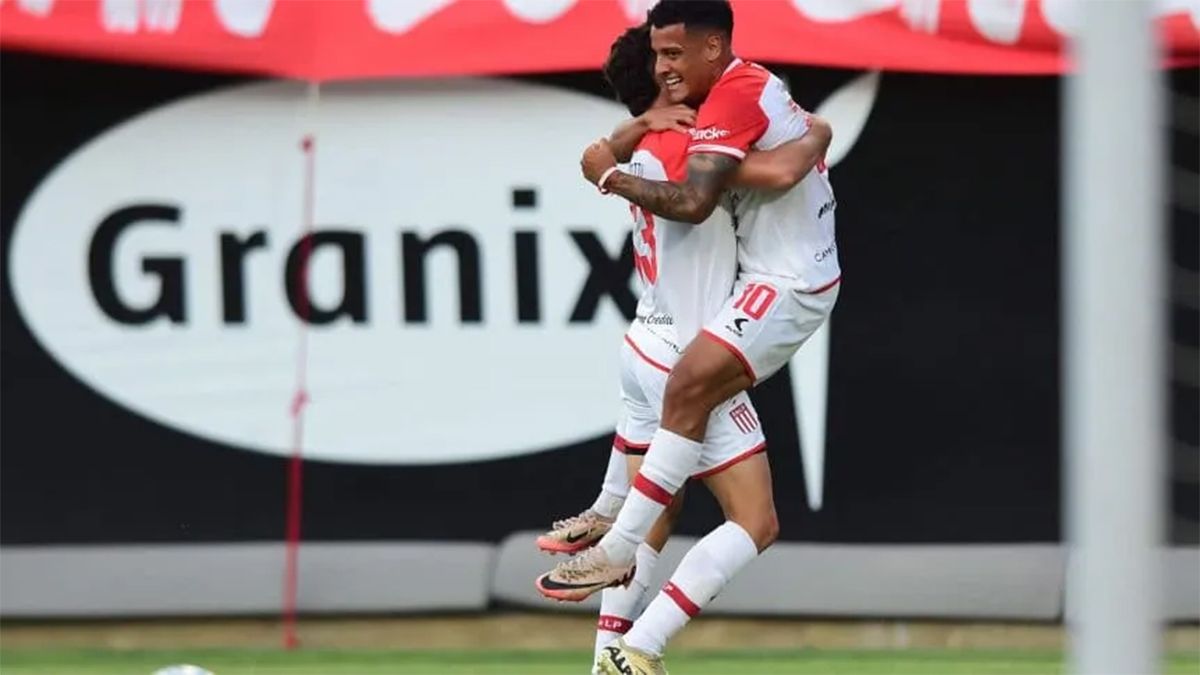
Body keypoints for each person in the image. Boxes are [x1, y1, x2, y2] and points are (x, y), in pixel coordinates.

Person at [541, 2, 840, 671]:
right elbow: (772, 173)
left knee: (662, 508)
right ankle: (634, 629)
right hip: (683, 343)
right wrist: (816, 135)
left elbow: (725, 163)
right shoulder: (686, 140)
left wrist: (618, 144)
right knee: (751, 521)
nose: (671, 70)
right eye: (661, 61)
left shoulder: (656, 135)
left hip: (644, 341)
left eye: (675, 56)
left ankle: (607, 637)